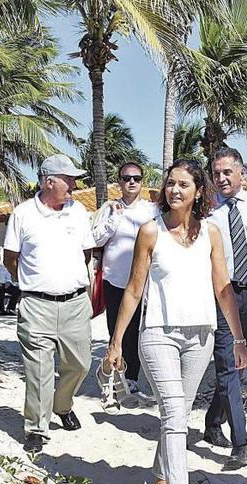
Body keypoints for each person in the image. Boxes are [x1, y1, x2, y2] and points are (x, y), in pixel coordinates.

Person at [106, 159, 247, 484]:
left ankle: (160, 475)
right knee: (173, 411)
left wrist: (240, 339)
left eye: (183, 184)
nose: (174, 189)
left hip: (200, 335)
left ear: (199, 191)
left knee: (178, 414)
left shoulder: (211, 233)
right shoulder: (151, 230)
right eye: (170, 183)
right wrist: (116, 342)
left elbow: (223, 288)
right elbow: (133, 288)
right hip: (158, 334)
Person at [3, 154, 96, 453]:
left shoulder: (79, 211)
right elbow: (10, 259)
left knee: (80, 364)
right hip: (36, 306)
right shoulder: (22, 214)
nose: (74, 184)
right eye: (68, 179)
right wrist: (35, 283)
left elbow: (86, 253)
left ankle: (62, 404)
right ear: (48, 181)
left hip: (75, 304)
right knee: (39, 370)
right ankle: (36, 428)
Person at [202, 147, 247, 470]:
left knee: (238, 363)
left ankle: (212, 421)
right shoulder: (205, 214)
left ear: (241, 172)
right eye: (216, 174)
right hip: (221, 295)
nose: (221, 179)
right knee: (229, 364)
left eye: (227, 172)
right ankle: (240, 444)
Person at [92, 162, 161, 399]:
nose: (131, 182)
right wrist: (114, 219)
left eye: (136, 178)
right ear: (119, 181)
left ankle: (131, 377)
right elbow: (95, 239)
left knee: (137, 331)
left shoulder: (153, 210)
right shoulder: (108, 209)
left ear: (142, 181)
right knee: (116, 330)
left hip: (143, 281)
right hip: (115, 279)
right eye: (126, 178)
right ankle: (114, 375)